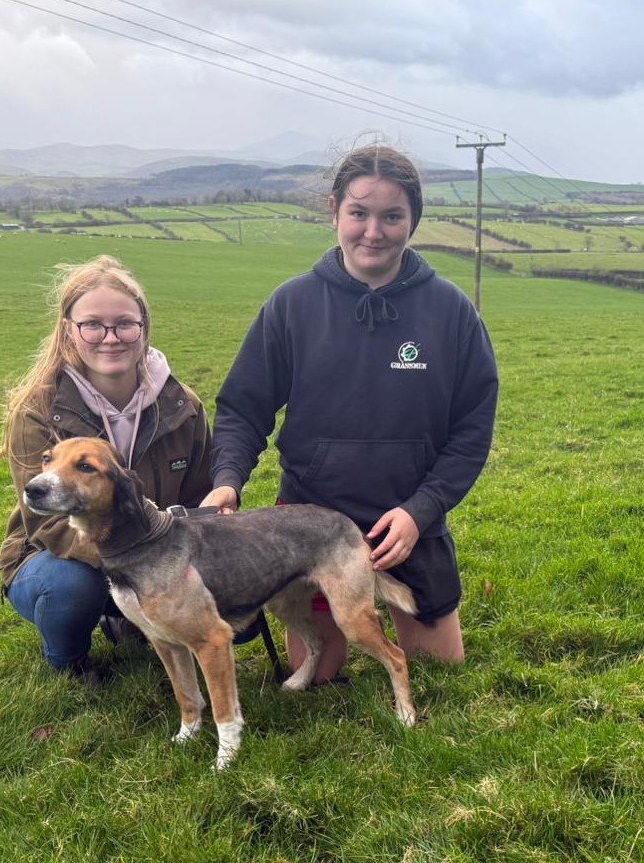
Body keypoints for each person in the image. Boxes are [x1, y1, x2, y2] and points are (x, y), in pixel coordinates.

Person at [201, 143, 498, 682]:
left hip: (409, 523)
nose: (373, 232)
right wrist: (227, 481)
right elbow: (243, 408)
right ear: (334, 210)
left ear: (413, 220)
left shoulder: (451, 310)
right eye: (359, 213)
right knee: (317, 674)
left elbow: (472, 430)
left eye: (392, 216)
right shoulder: (291, 305)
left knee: (441, 672)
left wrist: (421, 511)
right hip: (311, 527)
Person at [0, 254, 212, 685]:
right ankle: (70, 661)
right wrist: (140, 562)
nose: (111, 338)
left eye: (125, 324)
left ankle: (134, 621)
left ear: (144, 328)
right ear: (69, 329)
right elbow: (46, 524)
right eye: (93, 325)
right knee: (69, 589)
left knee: (238, 615)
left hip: (159, 551)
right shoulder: (37, 410)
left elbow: (199, 499)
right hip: (59, 556)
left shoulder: (184, 407)